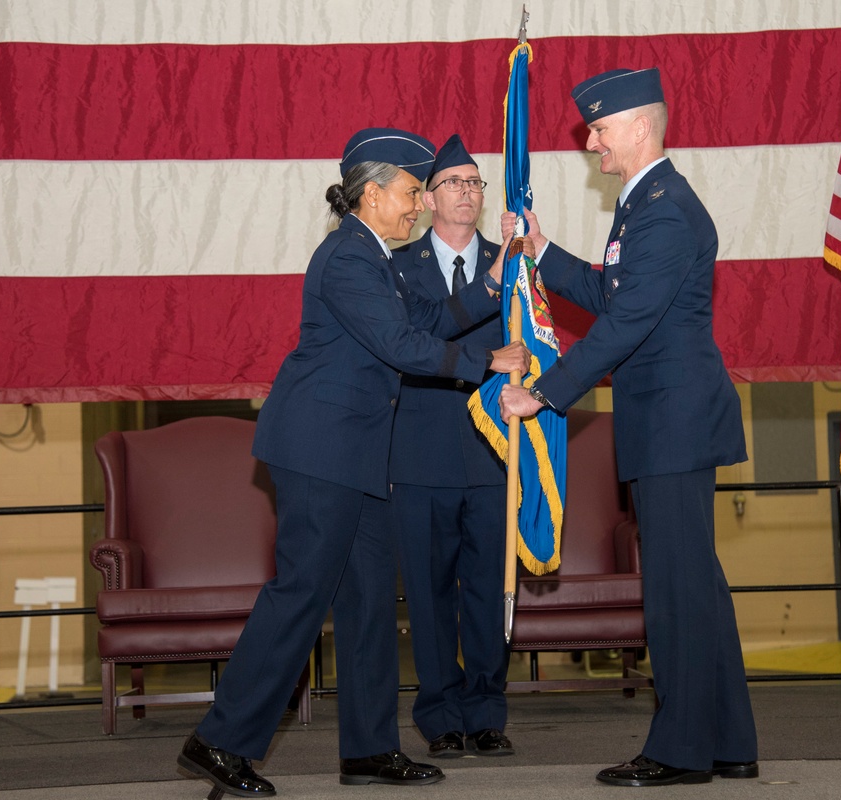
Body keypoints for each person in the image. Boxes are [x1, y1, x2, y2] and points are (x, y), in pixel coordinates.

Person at [176, 127, 530, 797]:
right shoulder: (347, 258)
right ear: (371, 194)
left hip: (362, 456)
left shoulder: (374, 257)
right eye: (410, 192)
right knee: (301, 595)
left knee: (369, 602)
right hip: (320, 451)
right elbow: (403, 343)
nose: (421, 205)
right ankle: (219, 741)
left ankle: (369, 749)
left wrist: (491, 284)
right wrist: (487, 362)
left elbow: (429, 314)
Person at [499, 68, 759, 787]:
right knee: (695, 587)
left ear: (639, 127)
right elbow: (610, 291)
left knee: (676, 592)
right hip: (665, 424)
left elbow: (624, 326)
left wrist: (544, 394)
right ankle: (730, 740)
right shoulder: (645, 204)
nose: (591, 142)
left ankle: (679, 752)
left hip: (673, 424)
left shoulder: (666, 210)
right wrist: (540, 250)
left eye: (600, 129)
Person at [389, 134, 513, 759]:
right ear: (430, 198)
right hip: (421, 453)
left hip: (494, 451)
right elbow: (416, 337)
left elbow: (537, 339)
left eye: (475, 183)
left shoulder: (514, 261)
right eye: (454, 183)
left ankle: (488, 710)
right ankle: (441, 717)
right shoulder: (397, 268)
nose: (467, 192)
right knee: (431, 593)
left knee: (488, 587)